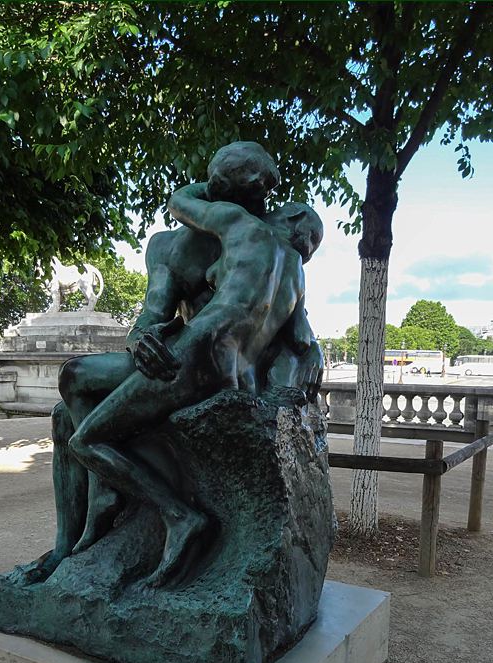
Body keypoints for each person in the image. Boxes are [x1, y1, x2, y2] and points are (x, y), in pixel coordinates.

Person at [21, 143, 323, 582]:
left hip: (199, 366)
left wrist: (309, 352)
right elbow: (151, 313)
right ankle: (68, 547)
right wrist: (141, 336)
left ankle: (137, 502)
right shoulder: (180, 247)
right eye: (260, 191)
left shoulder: (250, 234)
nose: (267, 204)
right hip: (194, 363)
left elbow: (299, 334)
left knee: (79, 411)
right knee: (64, 416)